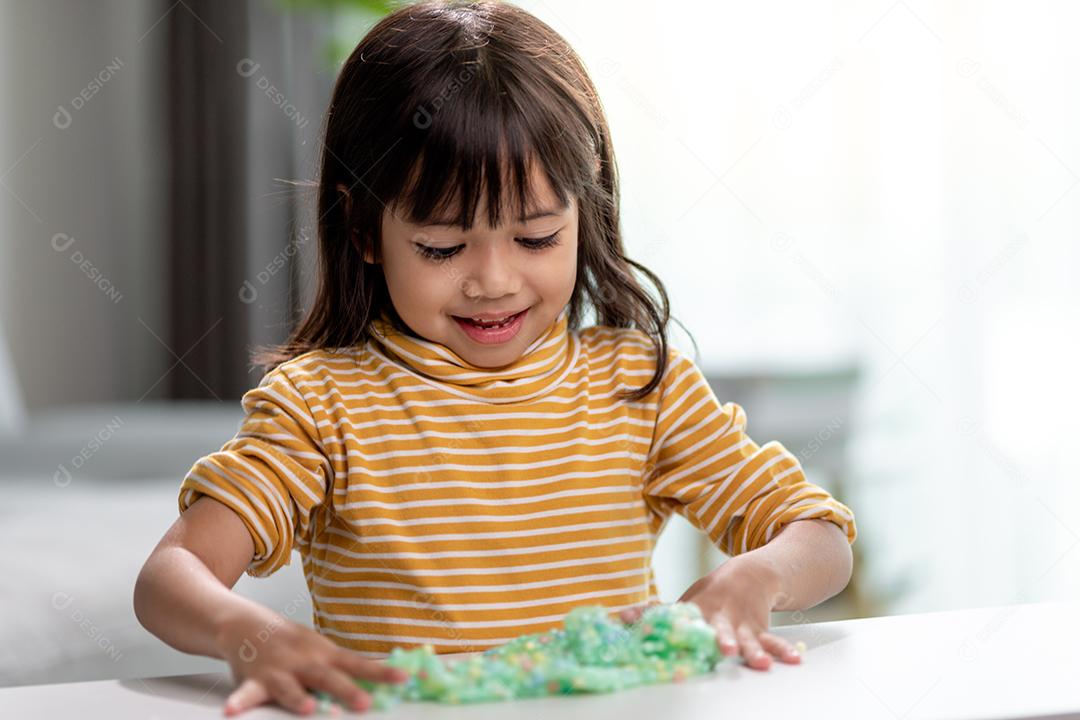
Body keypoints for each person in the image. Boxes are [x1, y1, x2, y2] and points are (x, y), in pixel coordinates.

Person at [133, 1, 857, 715]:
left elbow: (819, 536)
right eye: (443, 248)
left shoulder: (640, 385)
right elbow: (171, 574)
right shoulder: (322, 406)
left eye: (537, 238)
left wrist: (756, 579)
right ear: (362, 231)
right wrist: (251, 634)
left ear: (586, 208)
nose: (494, 281)